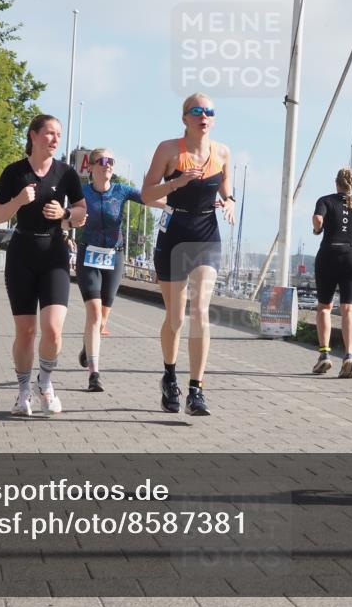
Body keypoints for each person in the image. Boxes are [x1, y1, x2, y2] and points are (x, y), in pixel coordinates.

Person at [142, 93, 235, 416]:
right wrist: (177, 182)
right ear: (185, 118)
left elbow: (227, 188)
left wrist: (230, 202)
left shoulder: (222, 152)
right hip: (174, 233)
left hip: (207, 234)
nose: (204, 116)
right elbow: (146, 192)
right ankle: (169, 376)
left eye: (209, 111)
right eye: (197, 111)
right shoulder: (168, 150)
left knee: (200, 311)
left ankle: (196, 390)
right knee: (176, 317)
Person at [0, 114, 87, 417]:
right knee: (27, 331)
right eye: (49, 133)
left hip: (54, 252)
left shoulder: (66, 173)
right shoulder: (14, 172)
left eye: (58, 134)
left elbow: (82, 214)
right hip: (21, 254)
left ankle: (45, 383)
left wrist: (65, 213)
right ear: (33, 136)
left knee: (54, 331)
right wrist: (18, 201)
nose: (55, 139)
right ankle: (22, 393)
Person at [75, 148, 166, 392]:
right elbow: (68, 215)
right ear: (91, 167)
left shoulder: (121, 191)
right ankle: (94, 374)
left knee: (102, 318)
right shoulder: (81, 193)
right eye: (102, 161)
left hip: (114, 257)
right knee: (93, 314)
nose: (107, 165)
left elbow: (149, 199)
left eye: (111, 161)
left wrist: (178, 203)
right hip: (89, 256)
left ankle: (87, 345)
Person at [310, 168, 352, 378]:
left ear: (336, 182)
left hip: (330, 253)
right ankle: (348, 355)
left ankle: (324, 355)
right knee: (348, 309)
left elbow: (317, 219)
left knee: (324, 308)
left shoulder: (326, 200)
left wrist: (317, 229)